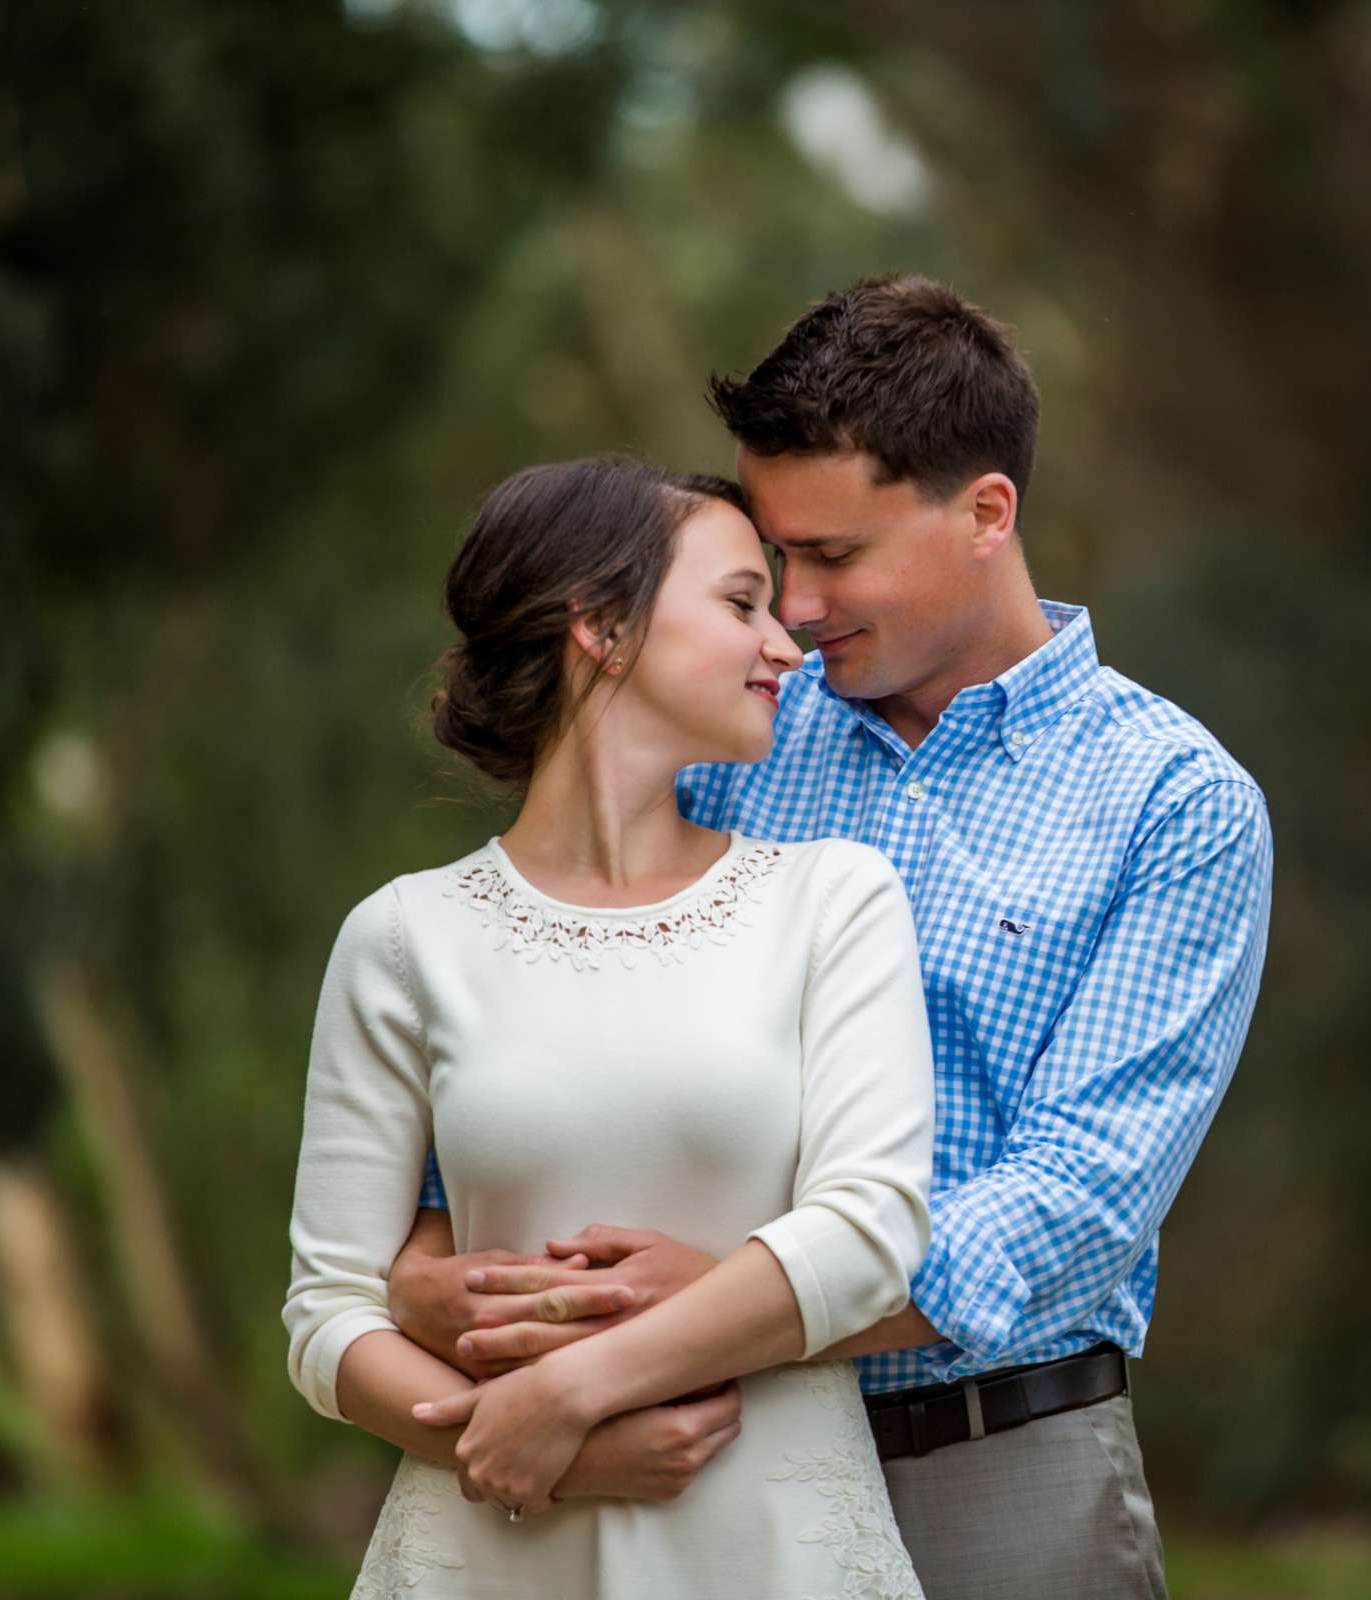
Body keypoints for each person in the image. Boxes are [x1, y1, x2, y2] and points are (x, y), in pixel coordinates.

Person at [390, 276, 1275, 1598]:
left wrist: (734, 1302)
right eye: (774, 555)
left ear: (988, 513)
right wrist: (438, 1267)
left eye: (835, 556)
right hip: (685, 1453)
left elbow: (1075, 1201)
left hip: (997, 1467)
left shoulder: (1172, 804)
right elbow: (539, 1016)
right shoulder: (727, 736)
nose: (793, 606)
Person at [282, 457, 935, 1599]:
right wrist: (533, 1449)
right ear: (602, 626)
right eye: (741, 602)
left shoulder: (835, 900)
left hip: (776, 1548)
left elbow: (873, 1231)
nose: (786, 645)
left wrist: (574, 1390)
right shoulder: (403, 937)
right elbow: (327, 1314)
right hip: (491, 1547)